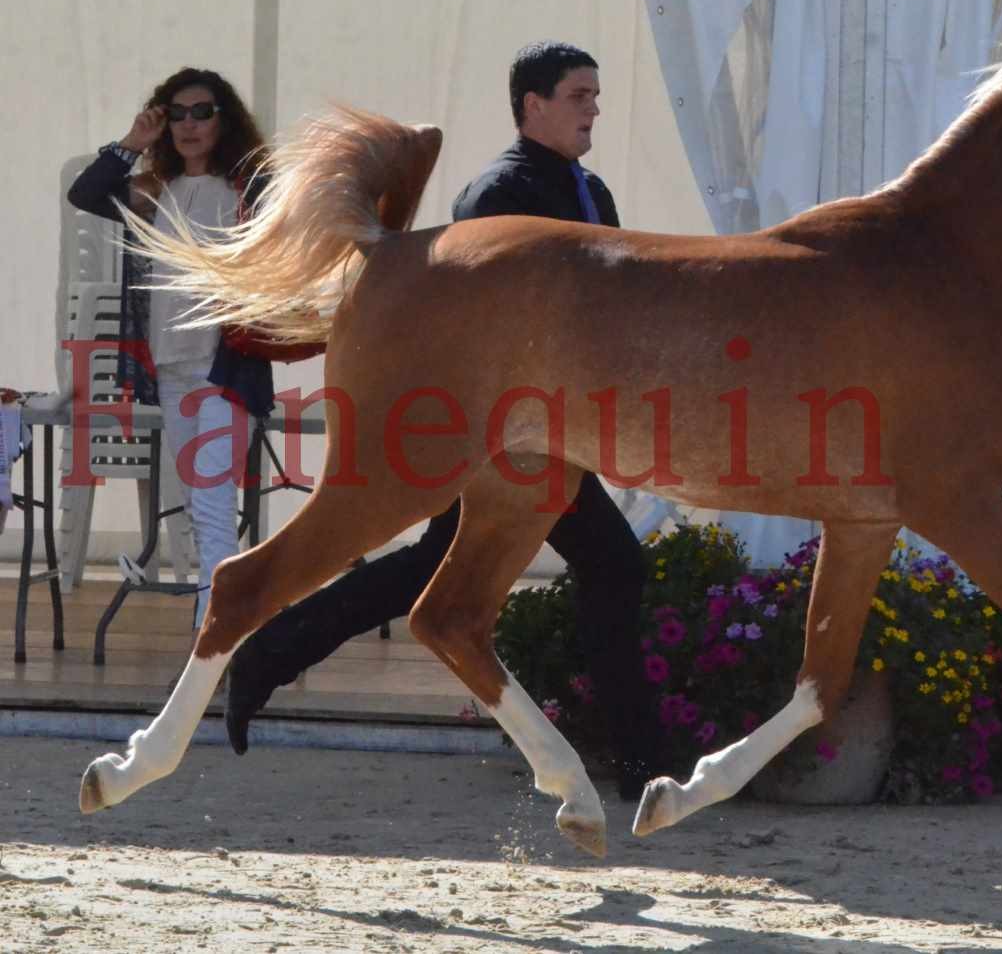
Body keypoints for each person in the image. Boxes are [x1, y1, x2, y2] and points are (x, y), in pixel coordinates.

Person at [224, 41, 670, 797]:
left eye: (595, 94)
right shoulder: (498, 194)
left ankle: (271, 652)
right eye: (578, 95)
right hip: (502, 428)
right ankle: (636, 757)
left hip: (550, 424)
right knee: (608, 565)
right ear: (532, 104)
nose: (593, 107)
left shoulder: (585, 188)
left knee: (444, 565)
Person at [67, 68, 274, 634]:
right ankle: (224, 628)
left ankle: (214, 635)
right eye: (175, 113)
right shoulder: (151, 191)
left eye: (201, 112)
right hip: (174, 371)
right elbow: (84, 191)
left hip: (227, 368)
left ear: (223, 119)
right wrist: (132, 142)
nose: (188, 124)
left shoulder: (250, 190)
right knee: (204, 506)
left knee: (210, 505)